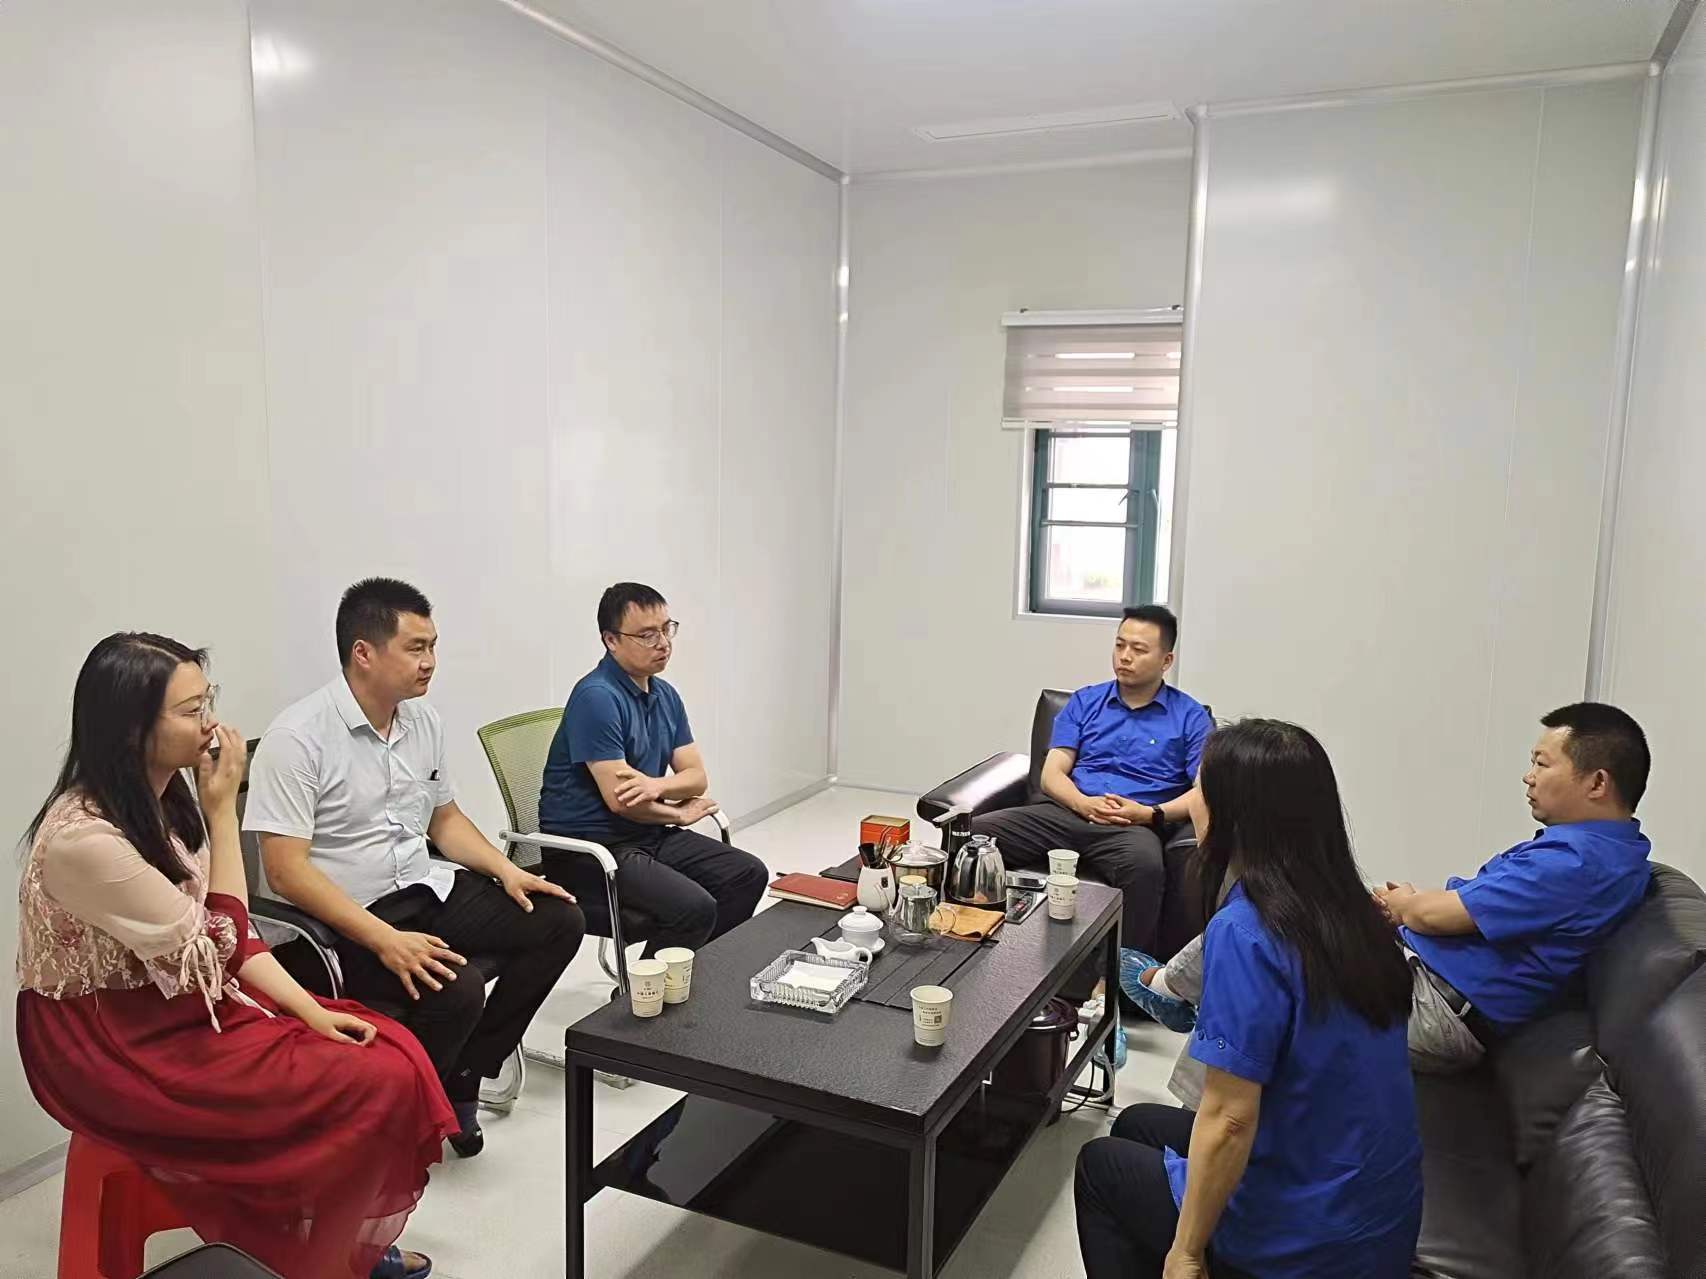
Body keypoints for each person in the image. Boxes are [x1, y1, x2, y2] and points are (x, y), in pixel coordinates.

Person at [16, 633, 451, 1279]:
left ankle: (329, 1249)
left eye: (207, 701)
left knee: (392, 1052)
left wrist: (309, 1011)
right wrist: (223, 814)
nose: (211, 723)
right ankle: (324, 1257)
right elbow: (221, 933)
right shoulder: (84, 840)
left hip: (184, 1000)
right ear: (132, 729)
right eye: (191, 710)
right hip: (107, 1041)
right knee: (369, 1084)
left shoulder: (160, 799)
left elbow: (230, 941)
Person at [246, 578, 584, 1158]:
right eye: (415, 648)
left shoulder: (422, 722)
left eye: (432, 647)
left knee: (557, 918)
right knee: (458, 988)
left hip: (422, 885)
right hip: (345, 920)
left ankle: (463, 1076)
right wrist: (386, 940)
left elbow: (444, 821)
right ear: (364, 652)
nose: (430, 662)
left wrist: (505, 870)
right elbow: (285, 872)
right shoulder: (297, 739)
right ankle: (397, 1119)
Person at [1075, 719, 1421, 1279]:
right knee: (1136, 1124)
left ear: (1233, 815)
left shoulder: (1248, 930)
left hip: (1307, 1239)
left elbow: (1232, 1118)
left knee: (1101, 1167)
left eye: (1199, 790)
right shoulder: (1355, 907)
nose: (1191, 803)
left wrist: (1187, 1252)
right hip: (1370, 1210)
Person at [1378, 701, 1653, 1070]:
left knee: (1298, 975)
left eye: (1541, 764)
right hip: (1423, 979)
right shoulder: (1606, 850)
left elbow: (1430, 917)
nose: (1529, 777)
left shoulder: (1577, 864)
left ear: (1597, 783)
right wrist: (1407, 906)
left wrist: (1405, 905)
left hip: (1434, 1007)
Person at [537, 582, 768, 957]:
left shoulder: (665, 695)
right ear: (611, 640)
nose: (663, 643)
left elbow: (696, 777)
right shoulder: (597, 697)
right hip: (592, 851)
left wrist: (656, 786)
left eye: (666, 629)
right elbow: (623, 802)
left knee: (747, 875)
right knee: (693, 908)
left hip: (645, 834)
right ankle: (651, 988)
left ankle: (691, 976)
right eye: (647, 635)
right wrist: (677, 812)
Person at [971, 604, 1211, 961]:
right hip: (1066, 811)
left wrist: (1150, 814)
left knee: (1144, 869)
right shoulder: (1085, 701)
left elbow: (1204, 792)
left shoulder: (1190, 717)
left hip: (1132, 825)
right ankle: (972, 945)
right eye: (1120, 645)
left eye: (1139, 649)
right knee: (976, 838)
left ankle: (1120, 976)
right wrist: (1082, 803)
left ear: (1166, 660)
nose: (1124, 656)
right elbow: (1052, 774)